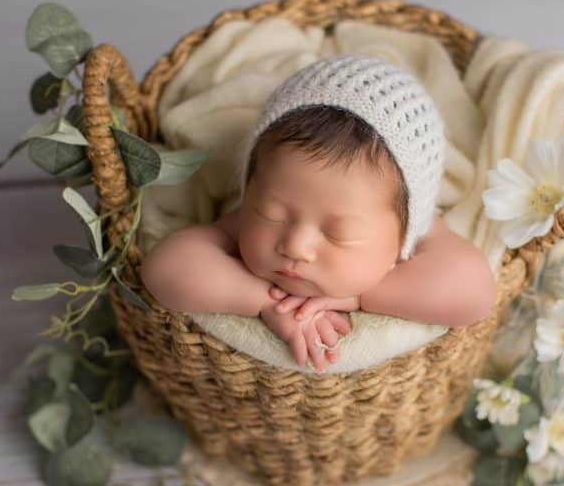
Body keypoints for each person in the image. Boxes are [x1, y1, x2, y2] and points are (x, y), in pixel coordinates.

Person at [140, 54, 497, 373]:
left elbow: (474, 292)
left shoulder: (417, 228)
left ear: (405, 233)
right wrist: (264, 301)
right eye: (272, 214)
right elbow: (165, 268)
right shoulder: (247, 218)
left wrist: (360, 297)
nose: (295, 245)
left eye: (339, 233)